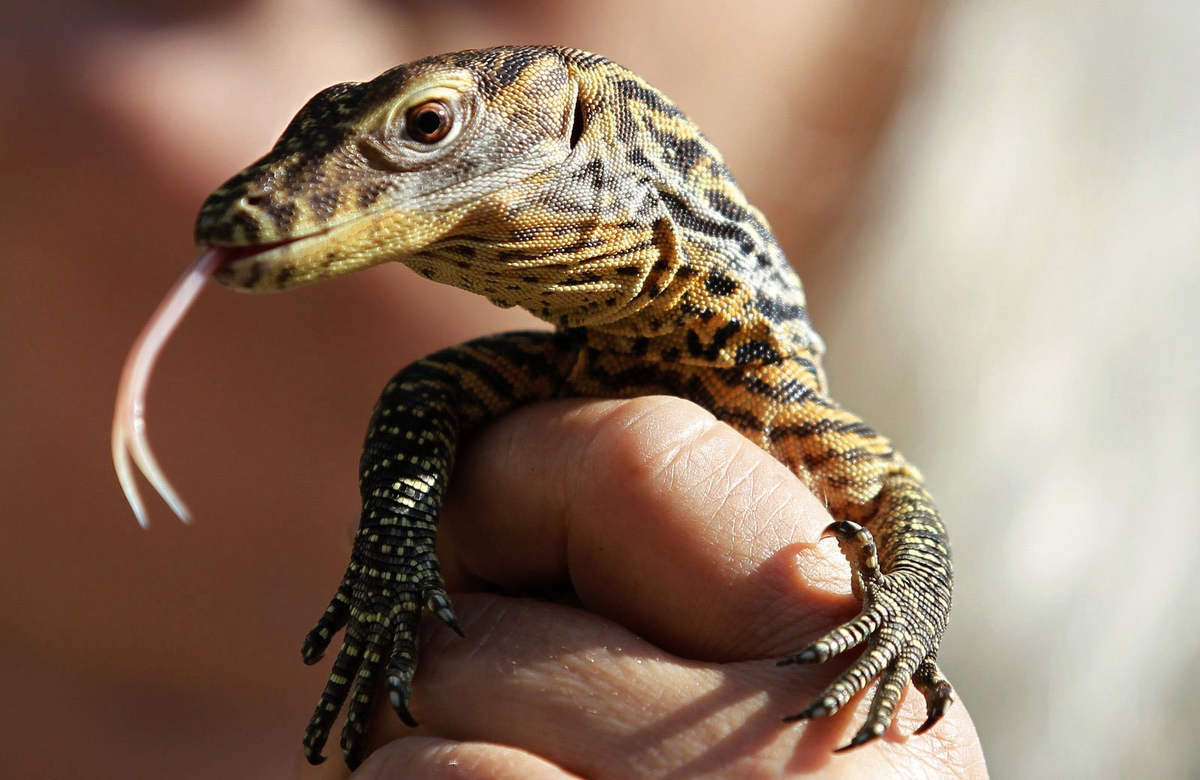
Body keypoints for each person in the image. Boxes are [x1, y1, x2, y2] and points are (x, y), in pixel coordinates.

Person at [0, 1, 985, 777]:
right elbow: (420, 405)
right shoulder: (530, 377)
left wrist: (897, 627)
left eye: (426, 126)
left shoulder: (792, 417)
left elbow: (903, 510)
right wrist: (393, 585)